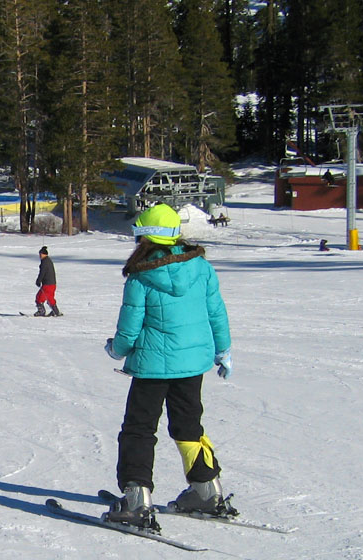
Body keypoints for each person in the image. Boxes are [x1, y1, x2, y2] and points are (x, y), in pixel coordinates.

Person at [103, 203, 233, 528]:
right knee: (189, 426)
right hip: (192, 365)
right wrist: (223, 351)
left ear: (145, 238)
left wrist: (115, 349)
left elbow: (129, 330)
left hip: (152, 367)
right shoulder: (200, 266)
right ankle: (206, 489)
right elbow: (216, 313)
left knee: (139, 428)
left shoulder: (142, 275)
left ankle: (136, 500)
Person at [34, 246, 61, 316]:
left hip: (47, 285)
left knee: (39, 298)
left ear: (44, 254)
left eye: (40, 254)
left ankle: (41, 311)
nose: (39, 256)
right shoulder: (48, 260)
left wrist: (38, 281)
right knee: (50, 298)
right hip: (52, 284)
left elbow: (42, 272)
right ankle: (56, 311)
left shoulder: (45, 262)